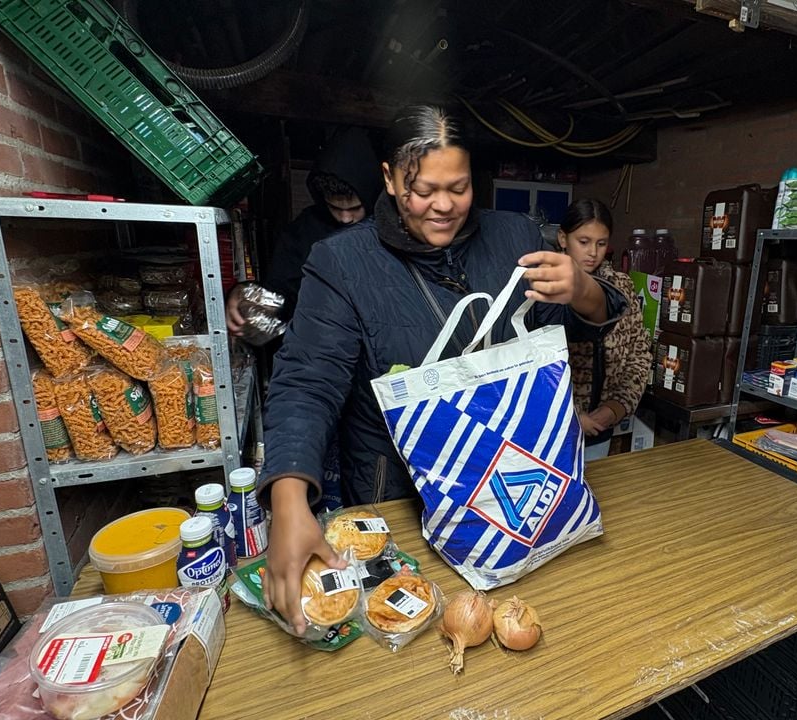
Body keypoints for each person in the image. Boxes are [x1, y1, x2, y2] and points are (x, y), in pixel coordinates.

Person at [259, 105, 626, 629]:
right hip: (401, 498)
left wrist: (583, 290)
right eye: (423, 190)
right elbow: (306, 383)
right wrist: (290, 500)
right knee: (409, 627)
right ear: (388, 178)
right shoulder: (342, 263)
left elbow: (581, 320)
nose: (443, 206)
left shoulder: (514, 237)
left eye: (459, 187)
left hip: (519, 477)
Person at [225, 126, 383, 334]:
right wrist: (248, 297)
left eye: (355, 208)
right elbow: (280, 291)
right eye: (335, 208)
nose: (345, 218)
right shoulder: (304, 230)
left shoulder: (388, 228)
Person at [558, 200, 653, 461]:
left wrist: (615, 408)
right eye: (584, 241)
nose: (593, 252)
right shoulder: (549, 289)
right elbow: (537, 371)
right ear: (562, 238)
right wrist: (574, 416)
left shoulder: (621, 287)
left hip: (601, 428)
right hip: (557, 432)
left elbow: (639, 354)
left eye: (601, 243)